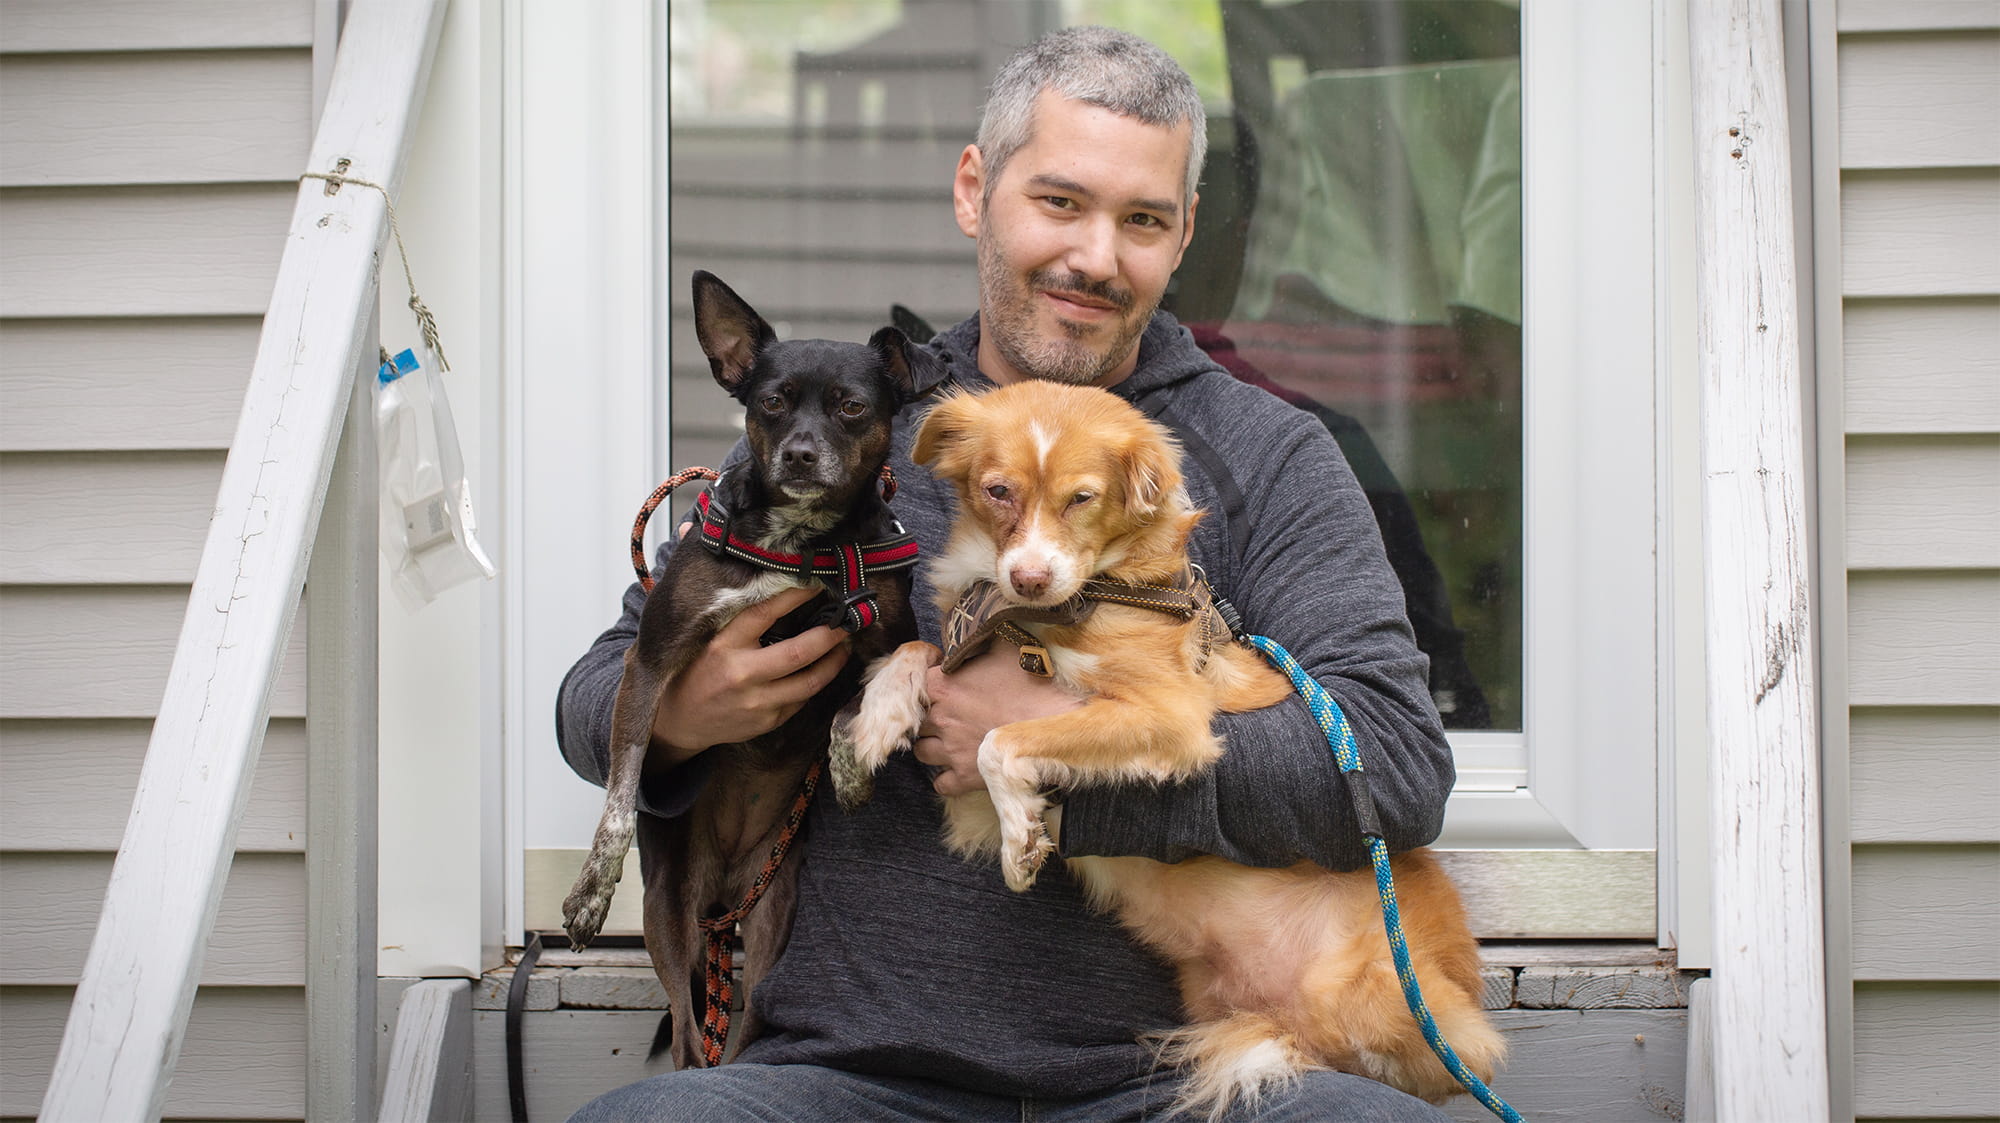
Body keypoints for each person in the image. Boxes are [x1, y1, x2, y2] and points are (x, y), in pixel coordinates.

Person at [559, 27, 1458, 1122]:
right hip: (847, 1075)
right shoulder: (863, 424)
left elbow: (1394, 765)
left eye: (1142, 220)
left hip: (1175, 1078)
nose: (1096, 256)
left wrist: (1066, 748)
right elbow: (593, 694)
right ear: (974, 192)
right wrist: (688, 712)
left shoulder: (1267, 456)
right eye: (1060, 202)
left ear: (1182, 235)